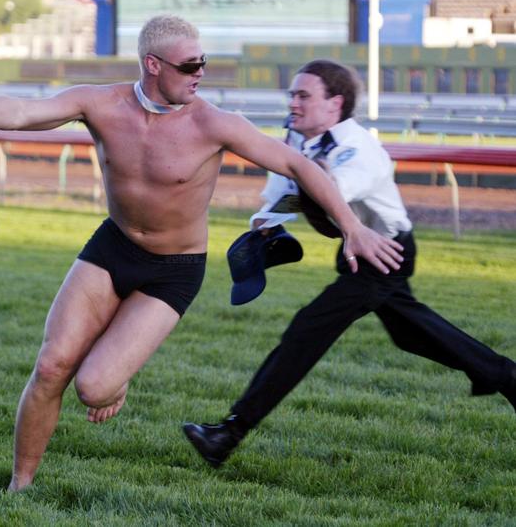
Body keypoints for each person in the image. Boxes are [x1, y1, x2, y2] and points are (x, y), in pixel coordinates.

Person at [0, 19, 403, 491]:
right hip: (113, 247)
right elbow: (20, 112)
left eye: (203, 63)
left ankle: (113, 380)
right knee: (53, 365)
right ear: (153, 64)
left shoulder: (216, 123)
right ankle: (19, 485)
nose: (199, 74)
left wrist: (351, 225)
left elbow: (297, 163)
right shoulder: (100, 104)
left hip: (174, 269)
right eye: (188, 66)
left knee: (92, 388)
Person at [183, 59, 516, 469]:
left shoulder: (359, 149)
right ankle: (504, 375)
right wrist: (266, 227)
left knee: (307, 329)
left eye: (304, 95)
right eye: (292, 94)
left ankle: (228, 434)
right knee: (409, 336)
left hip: (385, 251)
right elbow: (282, 195)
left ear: (334, 104)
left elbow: (330, 192)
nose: (294, 102)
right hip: (357, 250)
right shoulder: (295, 139)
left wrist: (301, 177)